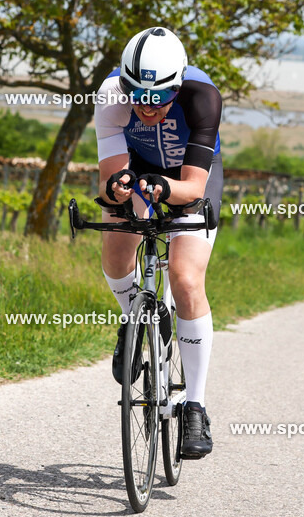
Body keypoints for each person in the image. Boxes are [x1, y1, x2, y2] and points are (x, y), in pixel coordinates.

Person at [95, 26, 222, 459]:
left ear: (177, 85)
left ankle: (195, 405)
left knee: (186, 280)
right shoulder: (111, 96)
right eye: (138, 97)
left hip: (189, 178)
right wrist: (119, 187)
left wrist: (162, 190)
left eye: (159, 99)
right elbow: (109, 180)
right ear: (126, 86)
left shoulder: (202, 98)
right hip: (140, 172)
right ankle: (136, 319)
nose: (147, 109)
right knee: (116, 250)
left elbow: (191, 188)